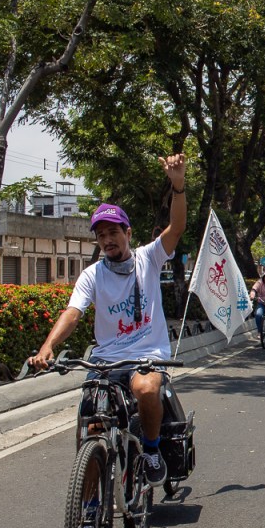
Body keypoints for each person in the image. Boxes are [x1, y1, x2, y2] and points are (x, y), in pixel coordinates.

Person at [30, 154, 187, 488]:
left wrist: (178, 186)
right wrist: (47, 347)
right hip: (105, 361)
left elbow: (177, 228)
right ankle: (87, 505)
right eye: (101, 235)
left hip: (147, 355)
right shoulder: (92, 275)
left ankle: (151, 449)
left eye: (113, 232)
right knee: (91, 425)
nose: (107, 240)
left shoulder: (149, 257)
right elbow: (73, 313)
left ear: (128, 233)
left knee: (146, 388)